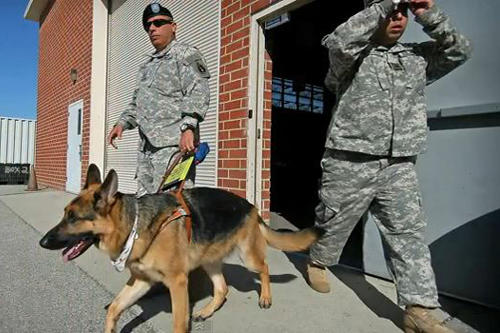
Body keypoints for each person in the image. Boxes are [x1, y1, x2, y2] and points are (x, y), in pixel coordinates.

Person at [306, 0, 471, 332]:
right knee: (333, 221)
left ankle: (419, 309)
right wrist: (385, 4)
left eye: (403, 13)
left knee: (408, 233)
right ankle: (318, 260)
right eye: (391, 11)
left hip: (399, 163)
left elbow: (459, 51)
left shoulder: (417, 58)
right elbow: (340, 42)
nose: (398, 18)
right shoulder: (350, 58)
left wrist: (427, 13)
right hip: (350, 159)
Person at [107, 3, 210, 196]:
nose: (152, 28)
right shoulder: (147, 65)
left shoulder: (186, 54)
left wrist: (189, 128)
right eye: (148, 26)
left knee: (171, 207)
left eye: (159, 22)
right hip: (147, 150)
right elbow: (137, 102)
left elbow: (198, 91)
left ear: (173, 26)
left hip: (173, 147)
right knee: (146, 207)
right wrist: (122, 123)